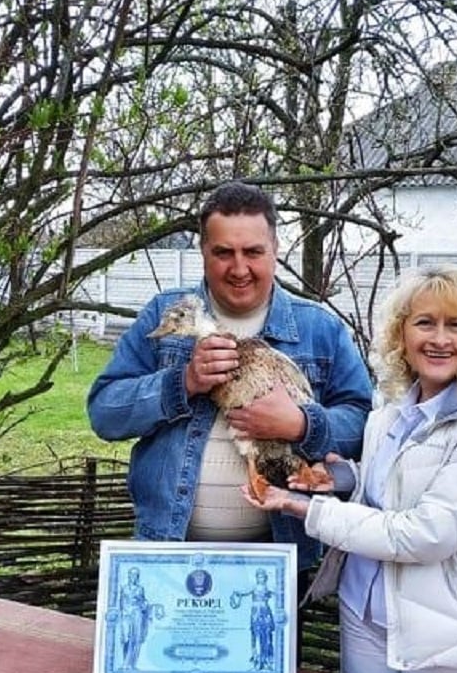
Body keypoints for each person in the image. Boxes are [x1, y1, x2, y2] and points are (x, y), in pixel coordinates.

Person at [241, 264, 457, 673]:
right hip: (363, 604)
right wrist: (343, 477)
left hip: (438, 622)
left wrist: (304, 508)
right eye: (425, 323)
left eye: (456, 325)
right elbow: (392, 487)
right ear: (401, 332)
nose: (440, 339)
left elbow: (428, 534)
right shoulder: (392, 408)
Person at [87, 181, 373, 572]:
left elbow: (363, 425)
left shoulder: (319, 328)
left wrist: (301, 424)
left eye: (253, 252)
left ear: (275, 250)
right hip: (170, 553)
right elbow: (105, 413)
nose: (239, 269)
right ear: (203, 252)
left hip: (278, 563)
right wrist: (182, 382)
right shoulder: (165, 317)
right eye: (223, 253)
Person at [229, 567, 276, 670]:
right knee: (256, 634)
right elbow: (244, 592)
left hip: (265, 612)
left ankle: (267, 659)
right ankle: (257, 659)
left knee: (267, 635)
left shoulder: (268, 588)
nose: (260, 578)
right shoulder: (253, 587)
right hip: (256, 613)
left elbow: (279, 594)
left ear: (265, 578)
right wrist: (237, 592)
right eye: (259, 576)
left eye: (262, 577)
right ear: (256, 577)